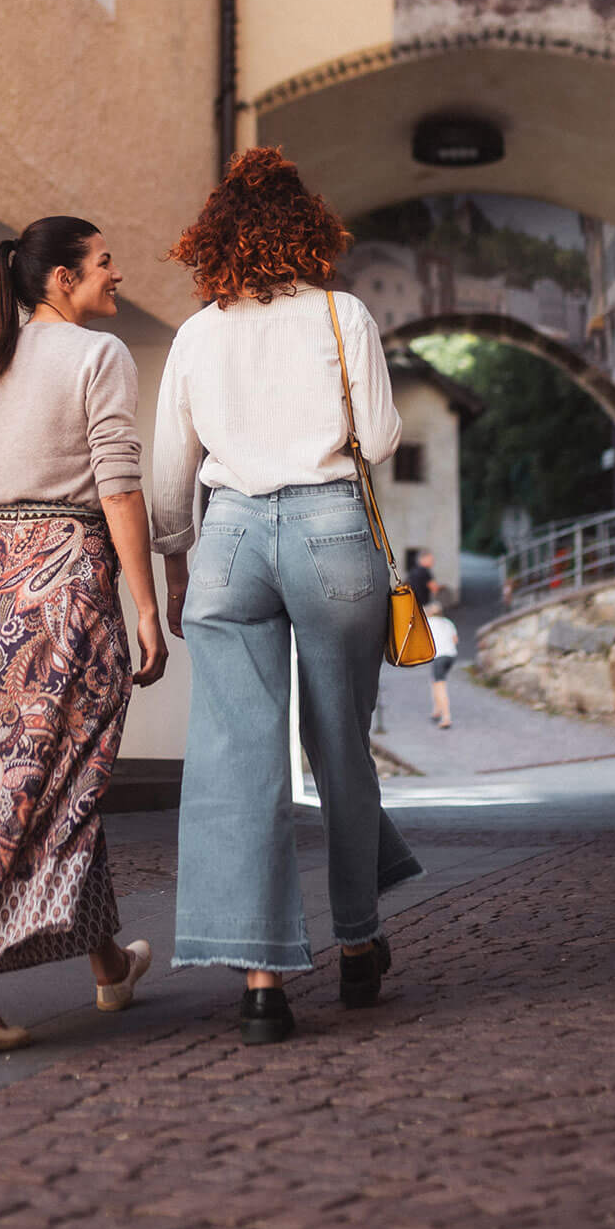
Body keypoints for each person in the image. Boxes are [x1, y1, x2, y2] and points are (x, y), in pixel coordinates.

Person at [153, 148, 423, 1047]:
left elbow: (168, 477)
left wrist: (175, 553)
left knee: (234, 755)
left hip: (226, 534)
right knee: (340, 743)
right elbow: (379, 438)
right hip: (329, 532)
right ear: (310, 230)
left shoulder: (197, 334)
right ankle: (356, 944)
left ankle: (260, 980)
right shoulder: (344, 316)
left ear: (213, 240)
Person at [0, 217, 168, 1056]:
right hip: (68, 579)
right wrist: (147, 607)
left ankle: (110, 965)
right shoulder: (96, 357)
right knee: (38, 775)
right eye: (103, 263)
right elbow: (118, 483)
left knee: (30, 759)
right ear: (60, 280)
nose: (116, 274)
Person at [426, 599, 459, 728]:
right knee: (435, 681)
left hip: (438, 656)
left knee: (440, 685)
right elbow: (455, 640)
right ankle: (437, 709)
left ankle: (446, 717)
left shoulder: (428, 623)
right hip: (451, 655)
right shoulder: (447, 622)